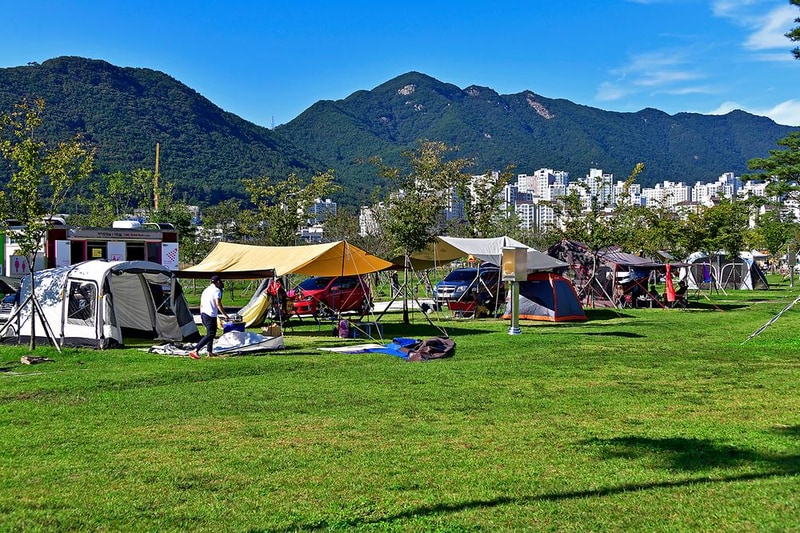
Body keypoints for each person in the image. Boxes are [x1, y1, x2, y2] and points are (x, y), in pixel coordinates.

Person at [189, 274, 228, 359]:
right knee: (211, 334)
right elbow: (218, 303)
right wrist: (225, 315)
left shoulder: (206, 290)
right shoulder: (217, 290)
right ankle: (195, 350)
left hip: (203, 313)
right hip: (210, 314)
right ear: (218, 282)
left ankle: (209, 352)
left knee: (210, 333)